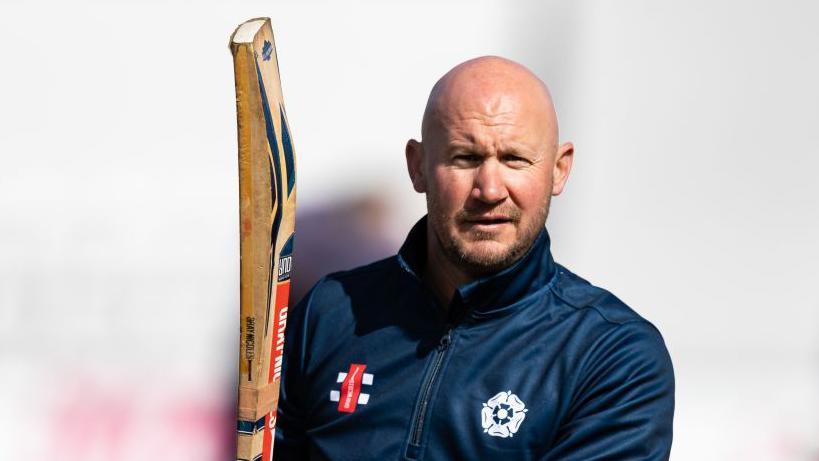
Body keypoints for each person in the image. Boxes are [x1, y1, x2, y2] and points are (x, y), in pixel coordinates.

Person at [274, 56, 674, 460]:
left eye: (515, 159)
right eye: (465, 158)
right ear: (418, 167)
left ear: (558, 170)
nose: (490, 188)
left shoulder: (611, 355)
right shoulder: (329, 314)